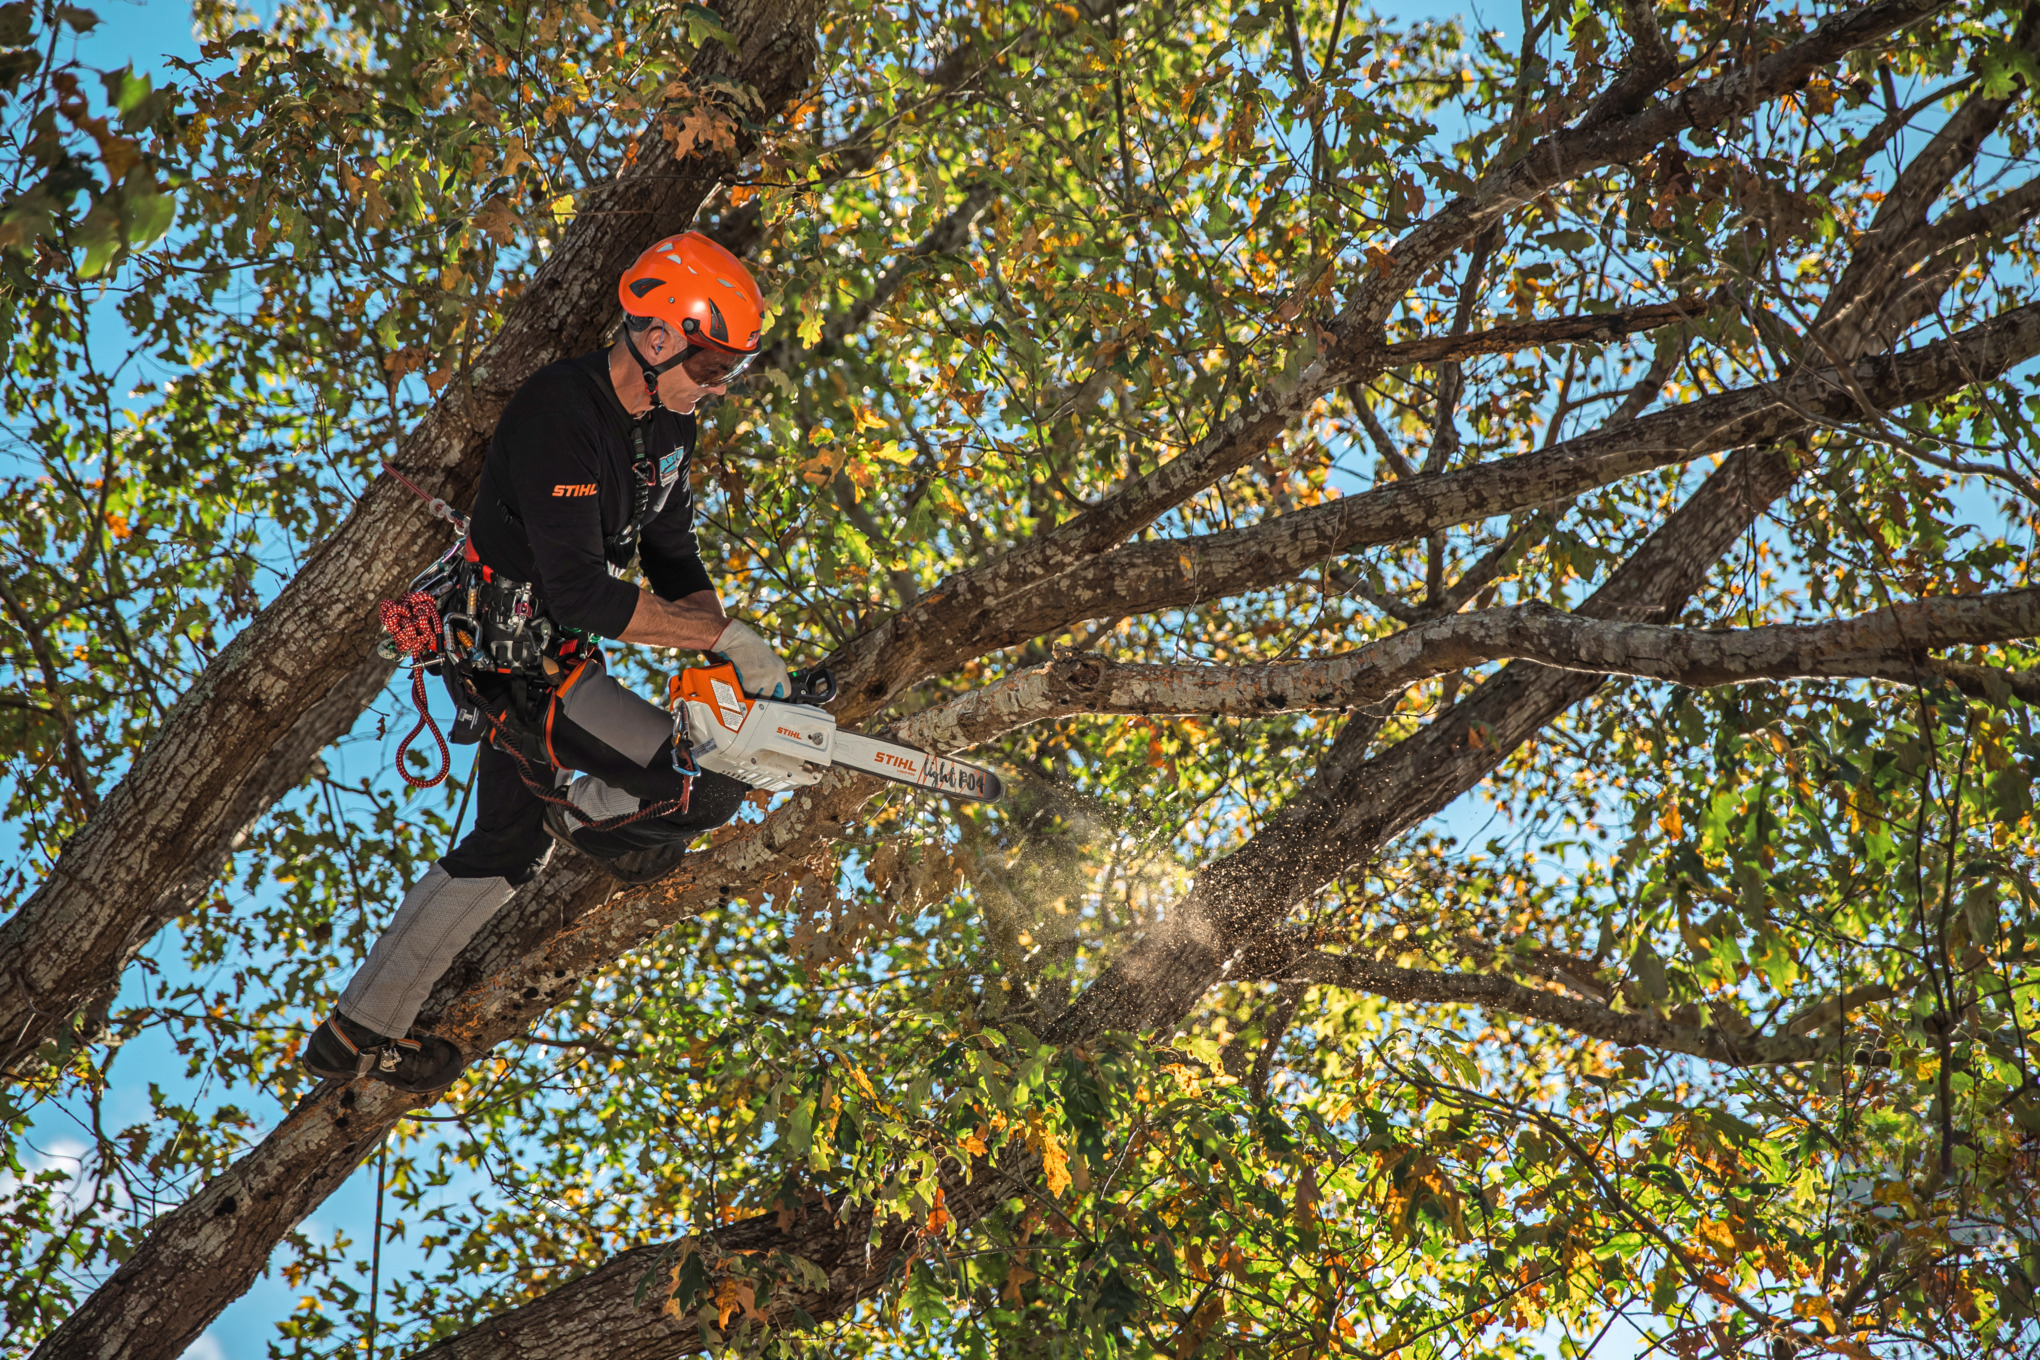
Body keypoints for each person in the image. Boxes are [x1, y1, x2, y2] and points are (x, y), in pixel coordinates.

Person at [301, 231, 793, 1093]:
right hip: (508, 658)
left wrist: (728, 660)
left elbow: (671, 556)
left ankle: (354, 1036)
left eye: (729, 373)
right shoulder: (558, 415)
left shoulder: (669, 427)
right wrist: (721, 642)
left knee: (500, 850)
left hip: (552, 652)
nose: (716, 387)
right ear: (657, 336)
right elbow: (581, 596)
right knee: (699, 788)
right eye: (712, 366)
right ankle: (574, 802)